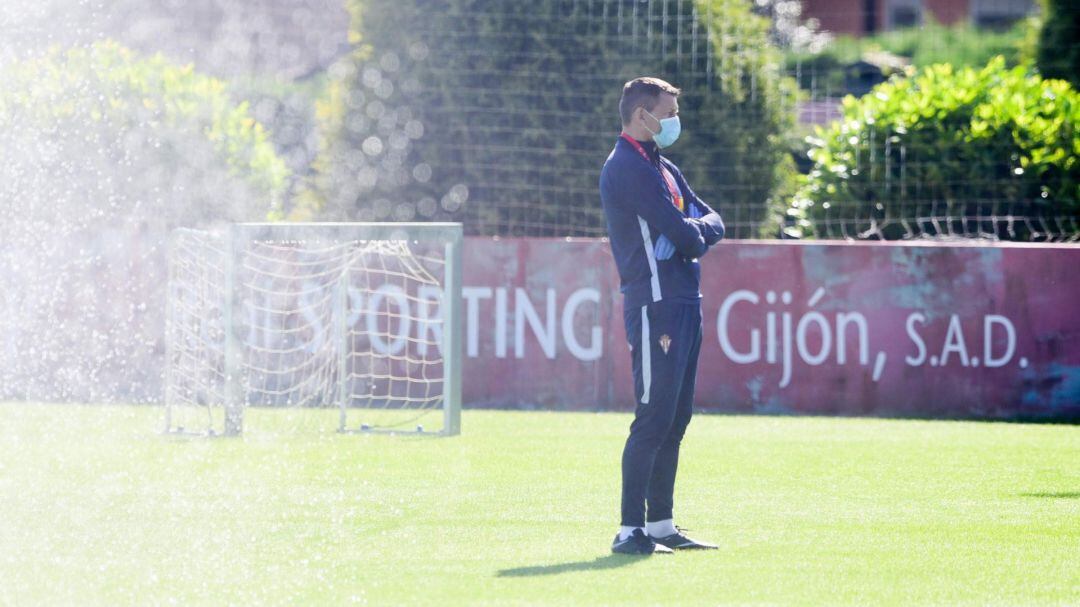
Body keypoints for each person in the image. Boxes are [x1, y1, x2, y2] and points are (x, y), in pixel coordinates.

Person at [599, 77, 725, 555]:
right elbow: (692, 236)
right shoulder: (628, 167)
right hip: (655, 306)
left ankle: (661, 525)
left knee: (676, 418)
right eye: (667, 113)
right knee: (653, 417)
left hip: (684, 302)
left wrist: (695, 230)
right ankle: (630, 529)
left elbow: (712, 219)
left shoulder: (663, 165)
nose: (674, 122)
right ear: (641, 115)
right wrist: (694, 232)